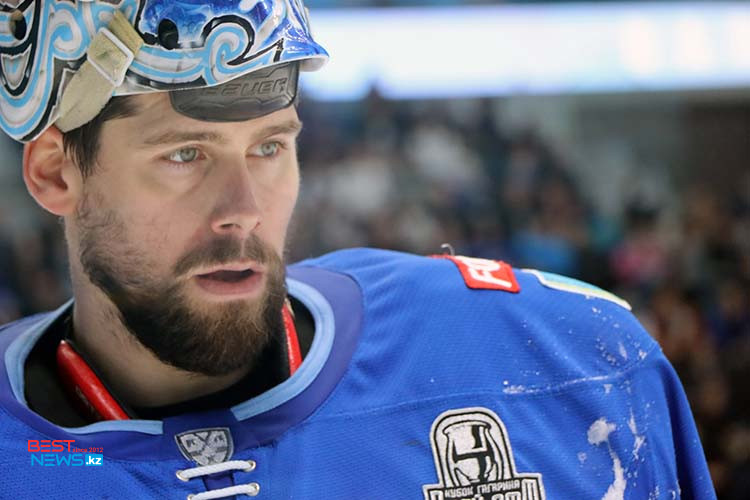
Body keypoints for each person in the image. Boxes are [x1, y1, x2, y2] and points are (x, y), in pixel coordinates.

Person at [0, 1, 715, 499]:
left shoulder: (565, 359)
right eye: (185, 155)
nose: (243, 210)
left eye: (270, 146)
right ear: (56, 173)